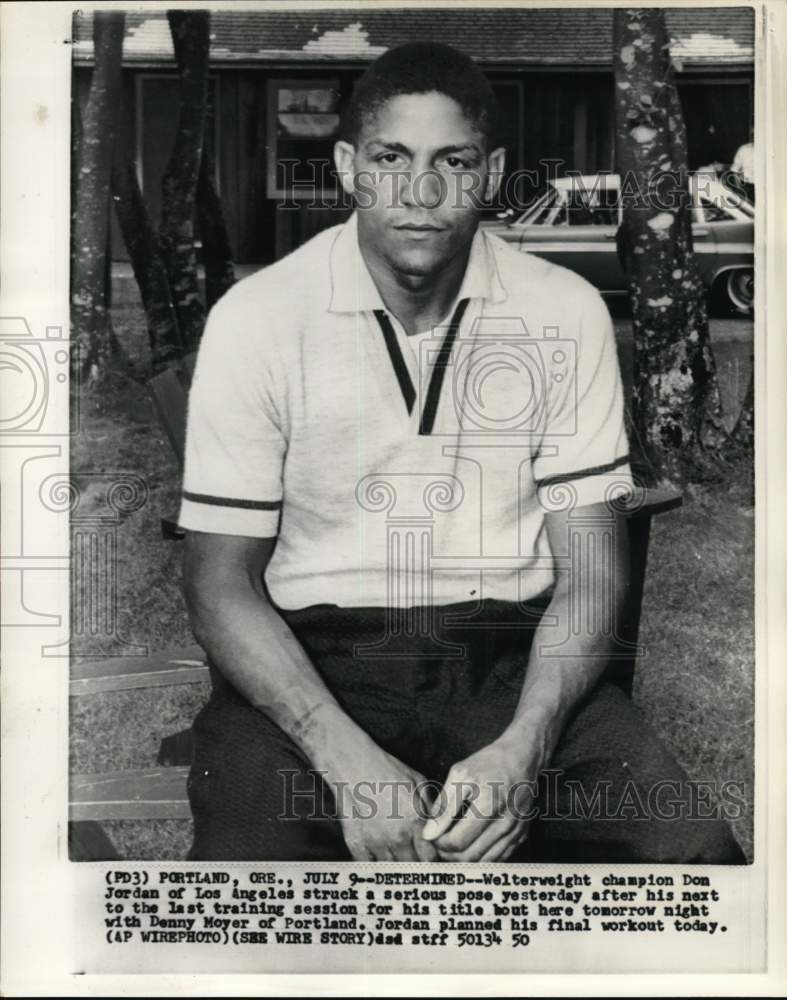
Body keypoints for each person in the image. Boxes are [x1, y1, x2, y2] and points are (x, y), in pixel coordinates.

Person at [179, 42, 745, 864]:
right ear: (346, 168)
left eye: (453, 161)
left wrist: (527, 745)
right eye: (389, 158)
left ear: (489, 174)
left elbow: (589, 577)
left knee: (697, 867)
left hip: (510, 662)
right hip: (314, 663)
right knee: (240, 896)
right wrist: (343, 761)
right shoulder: (257, 316)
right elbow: (218, 582)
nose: (419, 192)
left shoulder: (564, 310)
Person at [730, 135, 755, 204]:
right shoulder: (743, 149)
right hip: (746, 188)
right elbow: (735, 171)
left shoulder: (769, 149)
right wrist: (739, 191)